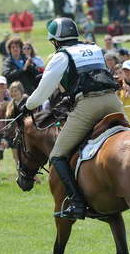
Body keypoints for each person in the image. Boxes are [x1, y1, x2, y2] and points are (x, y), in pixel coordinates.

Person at [20, 17, 123, 220]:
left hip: (88, 106)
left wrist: (27, 106)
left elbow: (43, 91)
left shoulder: (61, 56)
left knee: (57, 154)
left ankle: (76, 203)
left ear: (55, 41)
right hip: (113, 102)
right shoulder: (94, 48)